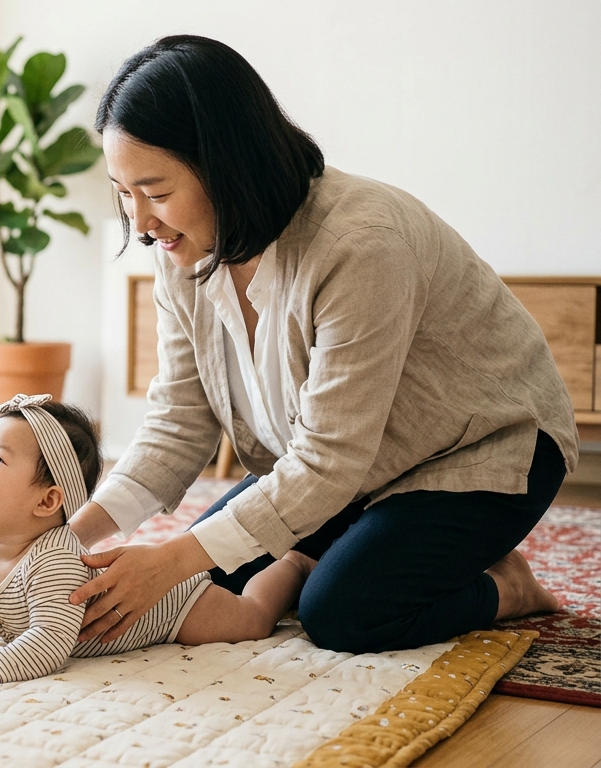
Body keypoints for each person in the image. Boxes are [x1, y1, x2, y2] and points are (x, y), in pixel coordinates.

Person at [67, 35, 578, 655]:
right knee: (200, 582)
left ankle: (507, 586)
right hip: (353, 467)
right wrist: (71, 535)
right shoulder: (184, 251)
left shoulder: (362, 244)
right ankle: (340, 550)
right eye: (124, 193)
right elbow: (179, 424)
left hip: (482, 449)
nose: (141, 222)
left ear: (227, 163)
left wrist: (169, 558)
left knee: (344, 613)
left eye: (156, 190)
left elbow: (328, 461)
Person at [0, 394, 315, 685]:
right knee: (234, 591)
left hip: (171, 608)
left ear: (48, 501)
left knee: (249, 619)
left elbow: (52, 640)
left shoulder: (55, 563)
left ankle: (293, 564)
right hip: (145, 600)